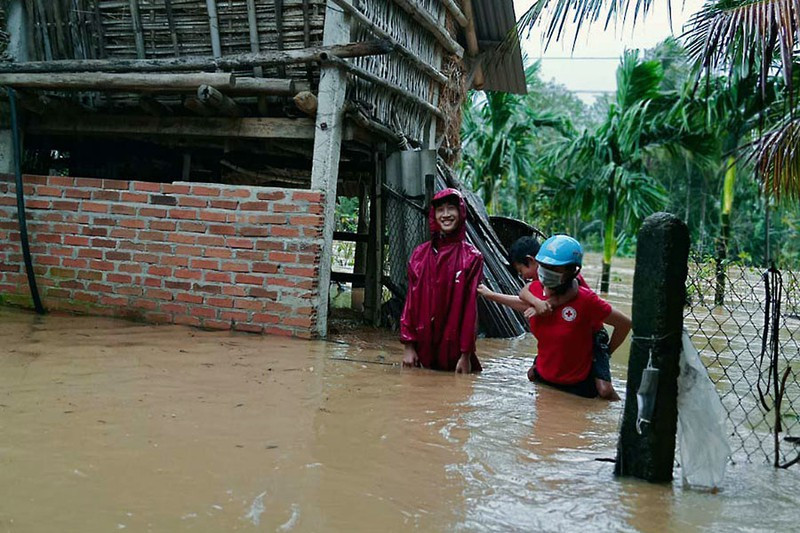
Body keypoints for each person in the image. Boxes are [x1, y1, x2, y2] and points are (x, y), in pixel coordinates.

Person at [479, 235, 630, 399]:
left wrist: (607, 352)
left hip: (591, 339)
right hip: (553, 357)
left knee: (605, 390)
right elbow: (523, 296)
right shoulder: (535, 288)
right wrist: (495, 296)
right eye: (544, 265)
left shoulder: (584, 297)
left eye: (555, 268)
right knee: (532, 375)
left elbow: (624, 323)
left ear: (571, 271)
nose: (546, 271)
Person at [400, 188, 483, 374]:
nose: (445, 215)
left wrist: (466, 355)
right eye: (440, 210)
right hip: (422, 347)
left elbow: (470, 309)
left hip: (454, 352)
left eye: (451, 208)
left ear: (460, 212)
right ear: (433, 215)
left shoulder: (472, 258)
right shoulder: (419, 255)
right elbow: (410, 303)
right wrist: (408, 346)